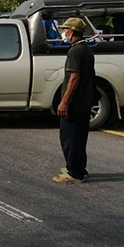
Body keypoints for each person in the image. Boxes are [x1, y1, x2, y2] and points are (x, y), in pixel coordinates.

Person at [52, 17, 95, 184]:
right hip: (84, 101)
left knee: (69, 137)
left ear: (71, 32)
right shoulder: (86, 48)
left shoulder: (75, 51)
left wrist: (64, 101)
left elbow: (74, 78)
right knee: (79, 137)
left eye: (65, 30)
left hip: (75, 103)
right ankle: (77, 167)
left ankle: (74, 173)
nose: (64, 33)